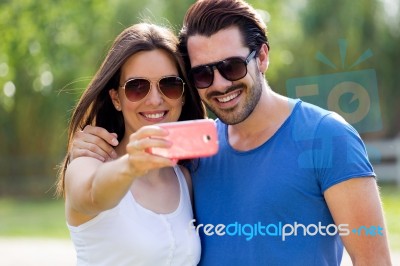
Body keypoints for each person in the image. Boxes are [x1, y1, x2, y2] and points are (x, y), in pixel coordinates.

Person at [68, 1, 392, 265]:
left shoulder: (328, 136)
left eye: (232, 67)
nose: (220, 84)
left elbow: (373, 261)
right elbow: (94, 192)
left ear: (262, 57)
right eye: (203, 74)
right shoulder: (198, 153)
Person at [56, 22, 206, 266]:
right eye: (138, 87)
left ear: (184, 94)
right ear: (116, 98)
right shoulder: (87, 161)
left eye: (169, 85)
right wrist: (133, 163)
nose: (155, 100)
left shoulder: (184, 177)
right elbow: (92, 195)